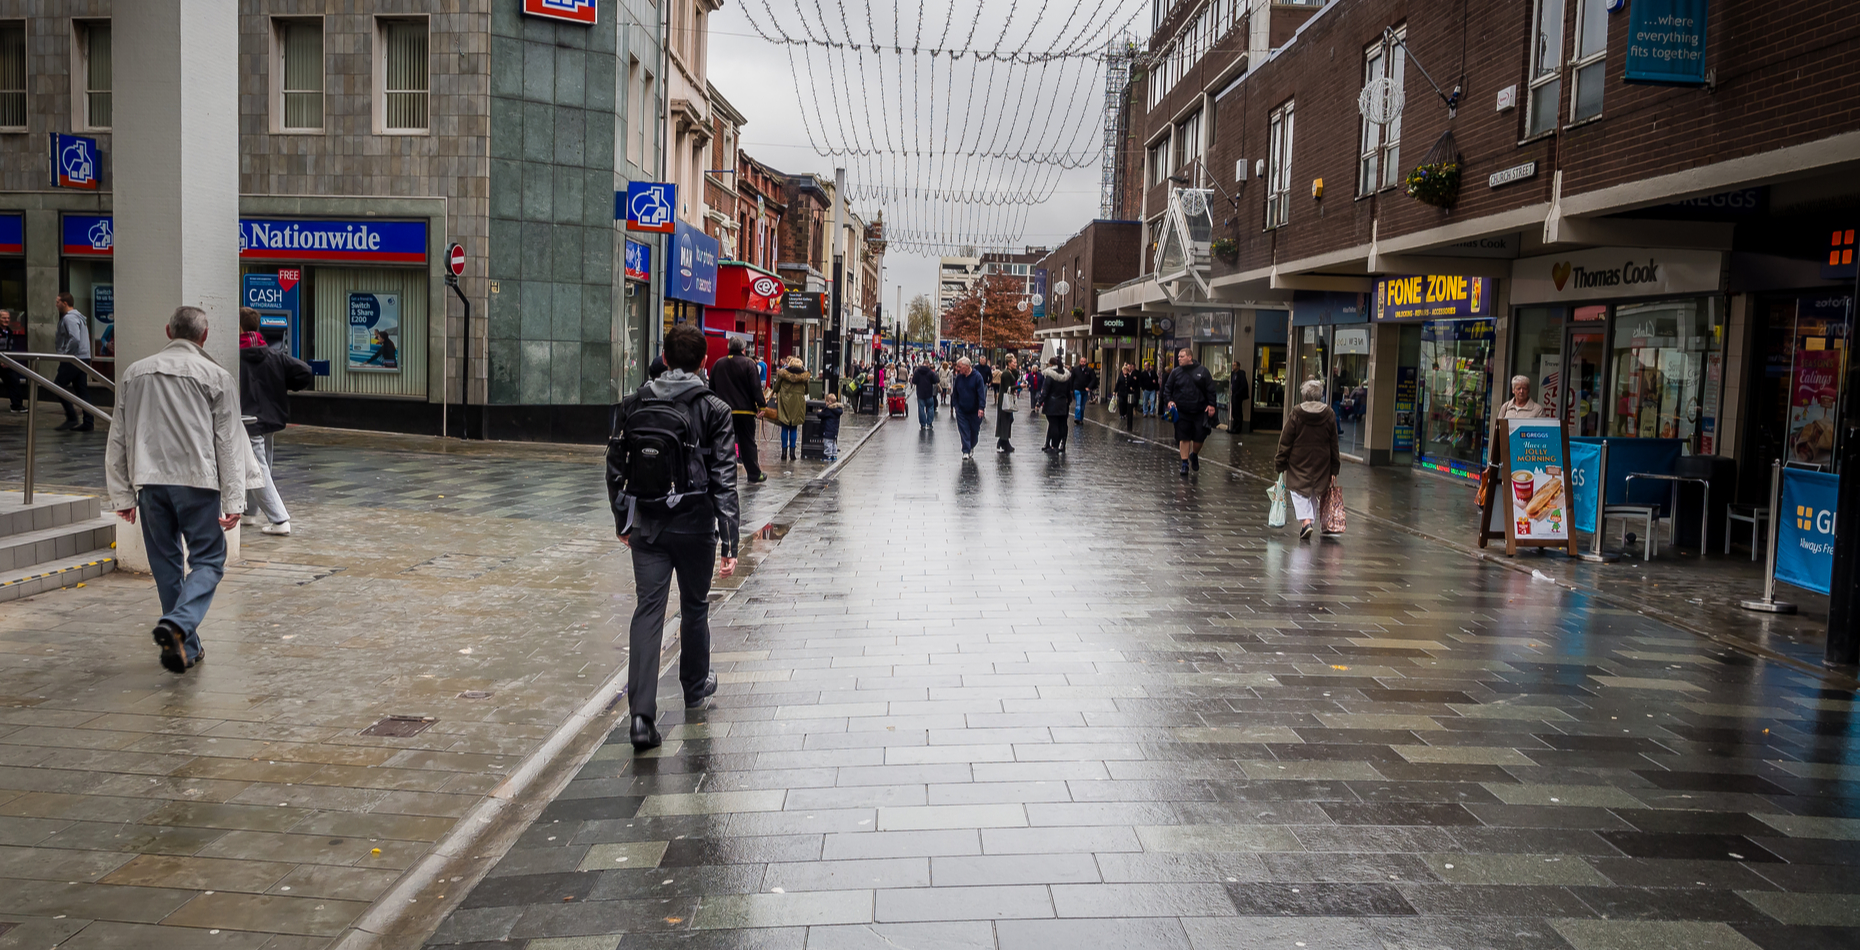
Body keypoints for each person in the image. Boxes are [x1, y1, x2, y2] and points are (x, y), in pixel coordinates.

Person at [605, 324, 738, 751]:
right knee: (695, 607)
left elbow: (614, 466)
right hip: (696, 524)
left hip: (647, 522)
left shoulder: (632, 403)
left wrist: (621, 520)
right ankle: (695, 687)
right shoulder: (714, 409)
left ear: (663, 357)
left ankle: (642, 717)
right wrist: (730, 542)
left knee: (649, 610)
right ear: (703, 362)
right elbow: (724, 478)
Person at [105, 306, 249, 674]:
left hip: (149, 482)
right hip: (197, 481)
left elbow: (118, 434)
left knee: (165, 563)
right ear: (203, 337)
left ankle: (185, 641)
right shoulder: (216, 377)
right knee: (208, 560)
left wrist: (121, 493)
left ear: (168, 330)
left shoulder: (134, 373)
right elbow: (228, 444)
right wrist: (235, 499)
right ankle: (179, 625)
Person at [237, 307, 313, 536]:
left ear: (239, 327)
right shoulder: (273, 355)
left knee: (257, 469)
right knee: (262, 466)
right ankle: (249, 513)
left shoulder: (236, 355)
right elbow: (304, 371)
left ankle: (279, 519)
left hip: (249, 420)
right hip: (271, 418)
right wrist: (282, 385)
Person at [1275, 379, 1342, 540]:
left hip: (1299, 460)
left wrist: (1281, 461)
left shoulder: (1297, 413)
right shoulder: (1329, 414)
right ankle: (1308, 522)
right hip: (1321, 460)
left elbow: (1286, 439)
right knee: (1313, 491)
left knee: (1298, 491)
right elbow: (1334, 442)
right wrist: (1334, 467)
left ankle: (1306, 522)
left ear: (1304, 396)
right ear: (1320, 396)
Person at [709, 338, 769, 483]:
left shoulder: (718, 364)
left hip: (723, 411)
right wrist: (762, 406)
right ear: (744, 348)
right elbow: (756, 387)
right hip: (745, 411)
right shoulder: (749, 364)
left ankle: (721, 474)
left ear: (728, 347)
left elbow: (711, 388)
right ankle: (754, 474)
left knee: (723, 443)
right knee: (748, 443)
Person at [1162, 347, 1217, 477]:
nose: (1179, 359)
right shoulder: (1175, 373)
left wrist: (1211, 405)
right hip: (1182, 412)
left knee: (1199, 438)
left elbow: (1211, 389)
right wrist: (1169, 401)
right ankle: (1185, 463)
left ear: (1190, 357)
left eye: (1181, 356)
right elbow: (1167, 390)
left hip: (1199, 411)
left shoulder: (1203, 371)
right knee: (1184, 437)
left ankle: (1194, 454)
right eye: (1178, 357)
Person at [52, 292, 93, 431]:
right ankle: (88, 422)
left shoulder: (69, 318)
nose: (56, 304)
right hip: (83, 357)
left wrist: (66, 355)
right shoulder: (79, 317)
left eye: (58, 302)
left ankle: (71, 417)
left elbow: (74, 338)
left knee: (58, 385)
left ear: (65, 303)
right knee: (81, 390)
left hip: (74, 358)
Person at [773, 356, 811, 462]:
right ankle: (792, 453)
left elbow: (776, 388)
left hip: (785, 401)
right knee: (794, 427)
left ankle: (784, 452)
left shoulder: (783, 374)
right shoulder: (804, 377)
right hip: (798, 402)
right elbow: (807, 391)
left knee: (784, 427)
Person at [950, 356, 987, 460]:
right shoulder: (959, 378)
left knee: (974, 430)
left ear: (966, 366)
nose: (957, 369)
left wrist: (981, 407)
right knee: (964, 430)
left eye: (959, 367)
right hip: (962, 410)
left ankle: (971, 445)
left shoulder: (977, 377)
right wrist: (955, 406)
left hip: (974, 410)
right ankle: (966, 450)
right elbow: (955, 392)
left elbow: (981, 394)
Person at [1038, 357, 1073, 453]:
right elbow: (1069, 391)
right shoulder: (1066, 376)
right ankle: (1061, 444)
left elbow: (1045, 391)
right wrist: (1068, 401)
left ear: (1050, 365)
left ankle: (1054, 446)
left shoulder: (1049, 376)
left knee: (1053, 425)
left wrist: (1039, 402)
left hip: (1051, 403)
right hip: (1063, 403)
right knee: (1062, 425)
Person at [0, 309, 25, 412]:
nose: (6, 320)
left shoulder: (9, 332)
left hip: (6, 361)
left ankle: (16, 405)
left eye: (8, 318)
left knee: (14, 379)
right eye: (4, 318)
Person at [995, 357, 1018, 454]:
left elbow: (1015, 378)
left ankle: (1004, 440)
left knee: (1009, 419)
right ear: (1008, 363)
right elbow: (1008, 387)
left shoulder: (1011, 373)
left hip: (1007, 398)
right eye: (1014, 362)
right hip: (1005, 399)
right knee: (1005, 419)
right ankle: (1003, 440)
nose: (1015, 364)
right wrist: (1019, 386)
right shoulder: (1005, 374)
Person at [910, 360, 939, 430]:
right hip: (929, 392)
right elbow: (935, 381)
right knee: (930, 408)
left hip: (920, 393)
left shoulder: (917, 371)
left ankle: (923, 424)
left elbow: (914, 381)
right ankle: (929, 423)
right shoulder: (930, 372)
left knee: (921, 408)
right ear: (928, 364)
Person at [819, 392, 843, 460]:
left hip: (828, 430)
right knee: (833, 443)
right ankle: (834, 455)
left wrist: (819, 412)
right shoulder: (838, 410)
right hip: (835, 431)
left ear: (829, 402)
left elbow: (821, 415)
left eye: (826, 402)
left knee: (827, 443)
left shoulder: (828, 409)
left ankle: (827, 455)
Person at [1229, 363, 1250, 434]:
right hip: (1234, 395)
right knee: (1234, 412)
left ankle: (1238, 428)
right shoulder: (1233, 374)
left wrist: (1238, 393)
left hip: (1238, 396)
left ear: (1238, 366)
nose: (1233, 366)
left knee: (1238, 412)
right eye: (1233, 365)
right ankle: (1233, 427)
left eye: (1234, 365)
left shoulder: (1241, 375)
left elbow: (1243, 386)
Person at [1072, 356, 1093, 423]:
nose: (1083, 363)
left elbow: (1093, 379)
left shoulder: (1089, 370)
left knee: (1082, 405)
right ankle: (1077, 418)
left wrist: (1089, 387)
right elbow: (1072, 379)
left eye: (1084, 362)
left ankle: (1081, 419)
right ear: (1079, 362)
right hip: (1077, 389)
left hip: (1085, 390)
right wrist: (1071, 389)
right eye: (1082, 362)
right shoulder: (1075, 370)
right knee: (1078, 404)